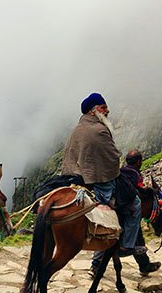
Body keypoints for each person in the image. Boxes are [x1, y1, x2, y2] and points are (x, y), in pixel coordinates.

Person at [60, 93, 141, 256]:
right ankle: (126, 246)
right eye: (103, 108)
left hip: (73, 177)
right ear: (93, 111)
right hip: (98, 180)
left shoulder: (77, 129)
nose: (107, 111)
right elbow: (112, 158)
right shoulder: (99, 130)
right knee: (134, 203)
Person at [90, 149, 162, 276]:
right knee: (116, 233)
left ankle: (96, 265)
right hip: (126, 207)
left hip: (113, 202)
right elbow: (137, 191)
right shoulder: (135, 174)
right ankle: (128, 250)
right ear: (139, 161)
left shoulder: (122, 171)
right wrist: (150, 191)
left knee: (108, 233)